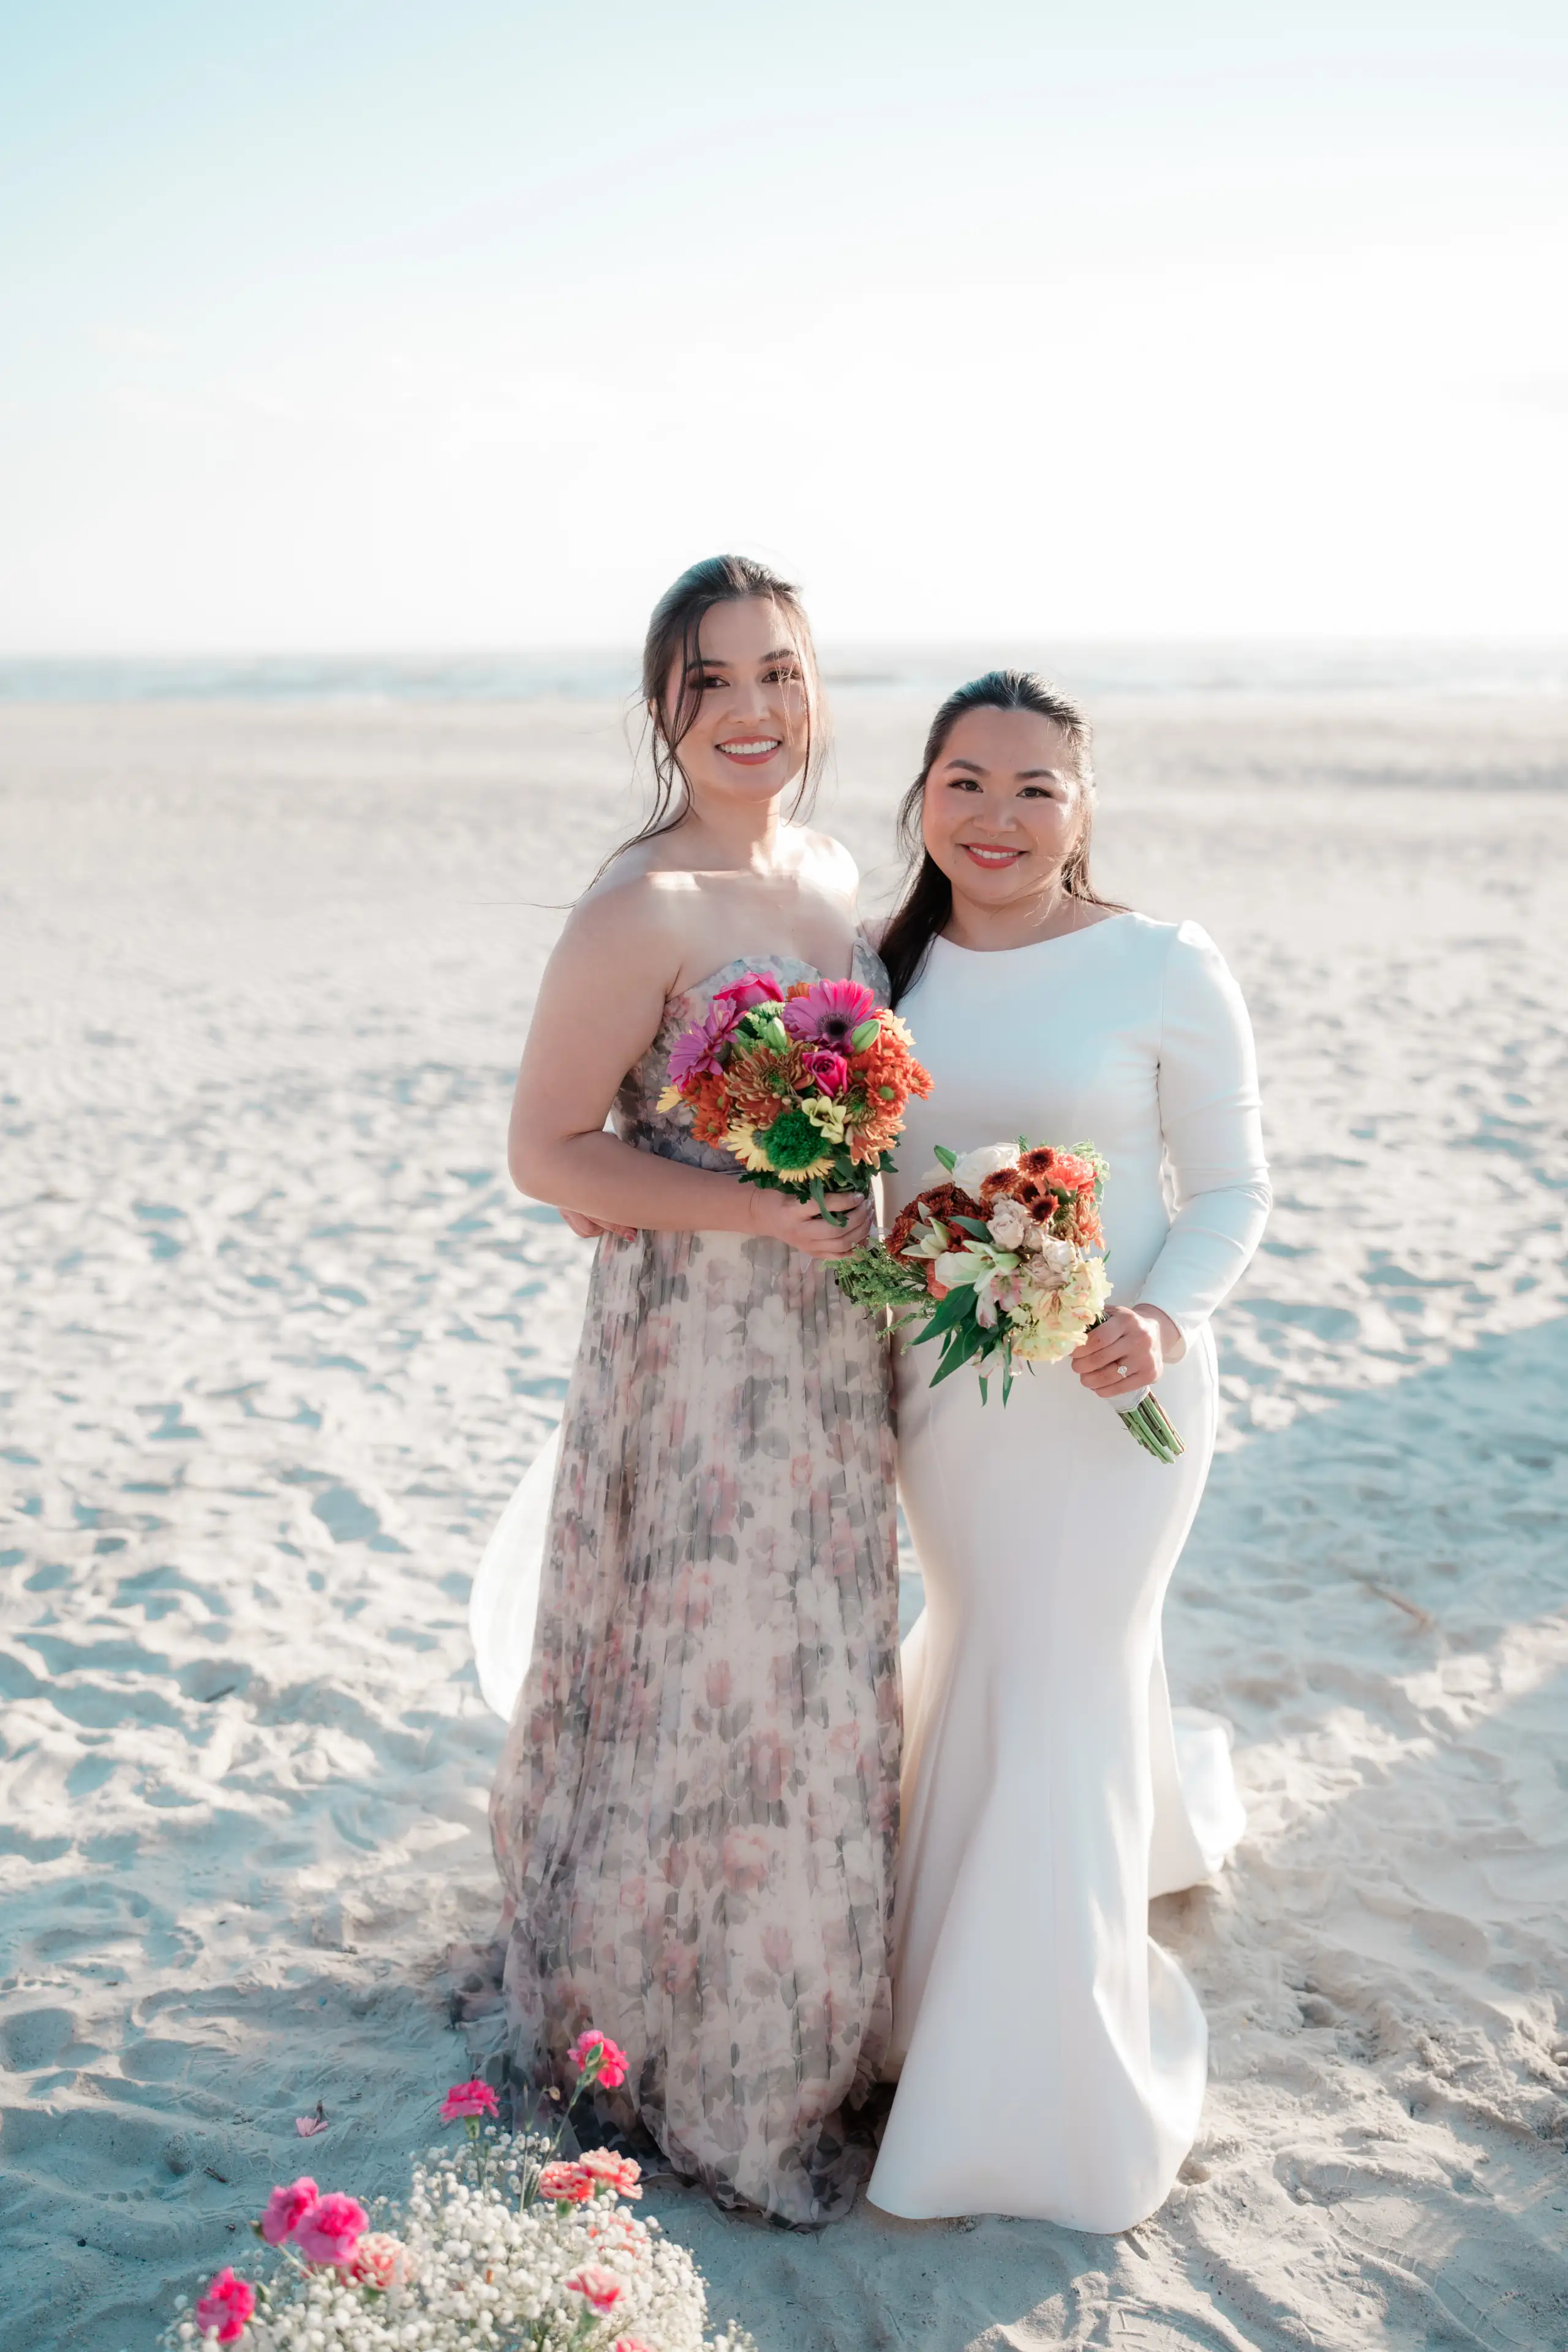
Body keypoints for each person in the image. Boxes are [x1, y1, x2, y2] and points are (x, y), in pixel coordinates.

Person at [476, 555, 901, 2226]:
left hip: (829, 1362)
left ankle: (816, 2018)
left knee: (814, 1681)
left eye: (780, 675)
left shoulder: (832, 871)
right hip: (695, 1359)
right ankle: (693, 2050)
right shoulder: (638, 908)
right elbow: (543, 1153)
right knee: (697, 1674)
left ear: (816, 691)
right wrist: (752, 1207)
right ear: (664, 707)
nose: (751, 711)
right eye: (712, 681)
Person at [865, 670, 1269, 2231]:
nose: (997, 816)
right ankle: (931, 1999)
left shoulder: (1161, 963)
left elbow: (1231, 1188)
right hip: (947, 1402)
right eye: (964, 782)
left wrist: (1158, 1323)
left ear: (1082, 806)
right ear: (921, 799)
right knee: (980, 1650)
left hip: (1119, 1405)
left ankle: (1037, 2075)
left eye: (1035, 787)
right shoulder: (875, 975)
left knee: (1067, 1676)